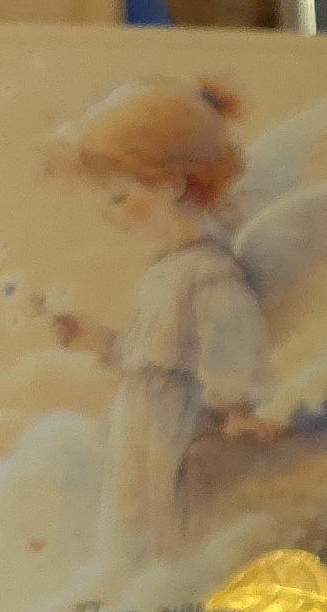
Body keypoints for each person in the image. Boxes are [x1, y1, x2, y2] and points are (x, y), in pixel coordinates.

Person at [46, 77, 277, 559]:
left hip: (177, 420)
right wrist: (98, 340)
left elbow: (231, 338)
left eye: (119, 196)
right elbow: (150, 351)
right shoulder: (166, 268)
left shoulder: (208, 270)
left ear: (170, 184)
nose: (111, 212)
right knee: (131, 520)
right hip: (141, 417)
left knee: (164, 520)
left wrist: (236, 407)